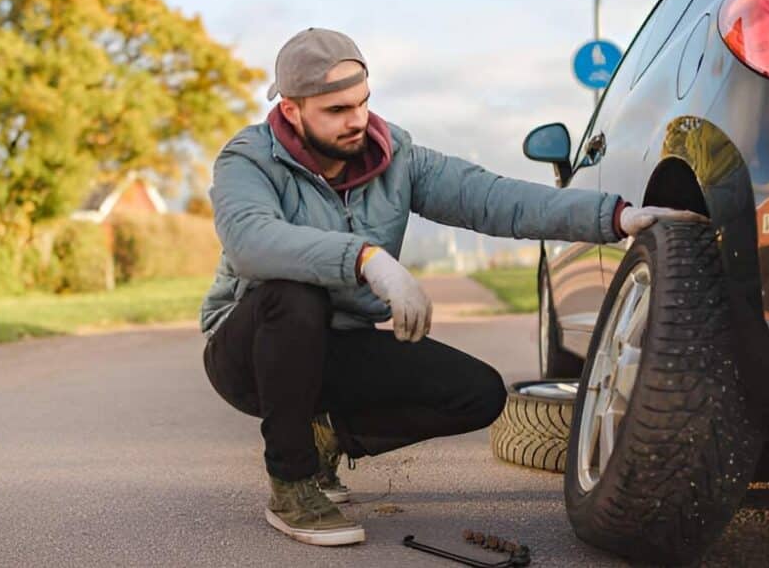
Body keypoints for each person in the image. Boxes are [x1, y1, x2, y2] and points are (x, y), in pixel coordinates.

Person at [199, 27, 706, 547]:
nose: (357, 120)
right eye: (336, 110)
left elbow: (491, 197)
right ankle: (292, 483)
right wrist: (368, 260)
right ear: (291, 111)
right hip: (251, 349)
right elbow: (250, 239)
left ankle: (324, 437)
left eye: (362, 103)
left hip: (336, 345)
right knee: (292, 294)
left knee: (477, 394)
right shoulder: (250, 158)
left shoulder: (395, 157)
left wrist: (616, 217)